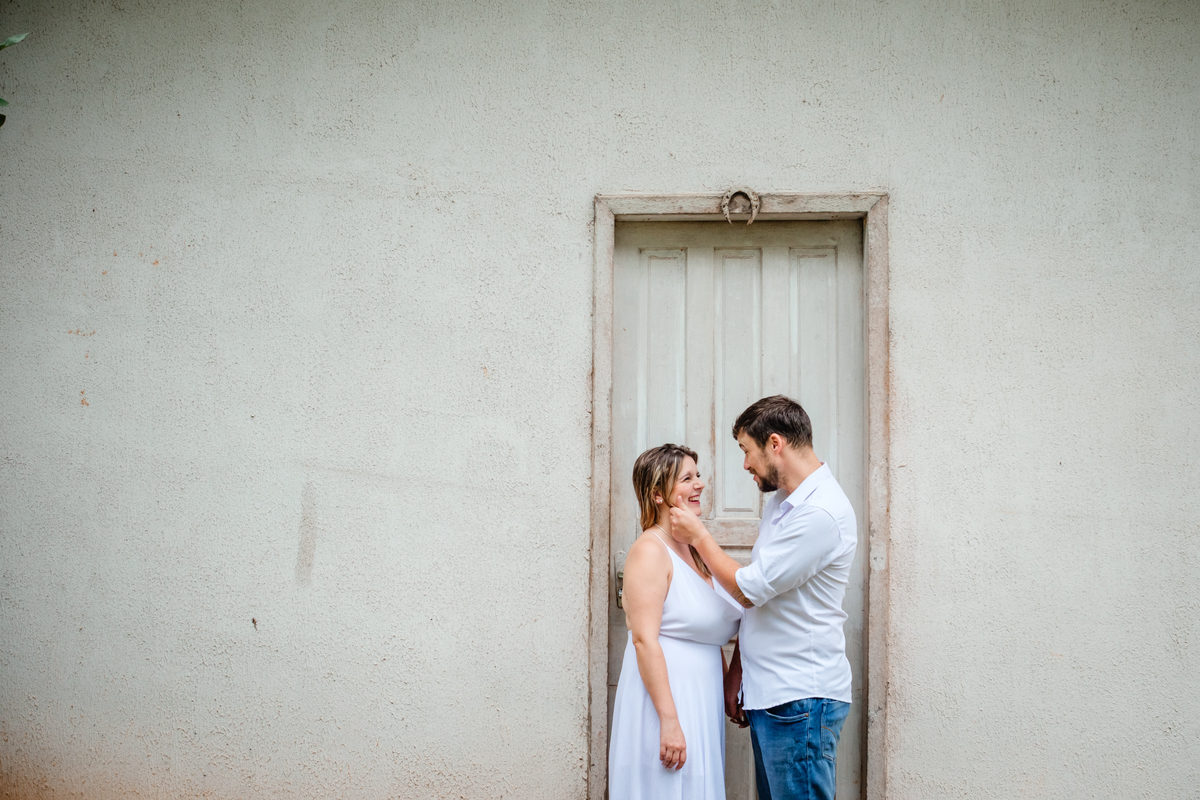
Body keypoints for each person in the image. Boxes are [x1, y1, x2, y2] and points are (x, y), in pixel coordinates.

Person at [667, 396, 857, 800]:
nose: (745, 464)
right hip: (773, 694)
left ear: (775, 444)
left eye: (746, 450)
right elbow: (765, 593)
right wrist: (739, 670)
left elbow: (748, 589)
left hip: (800, 700)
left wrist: (699, 537)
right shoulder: (782, 504)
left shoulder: (820, 514)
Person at [608, 444, 744, 800]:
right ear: (657, 494)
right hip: (665, 703)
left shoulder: (697, 550)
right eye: (687, 478)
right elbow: (644, 640)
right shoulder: (650, 551)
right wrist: (668, 721)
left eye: (698, 475)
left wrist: (729, 684)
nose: (700, 484)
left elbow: (705, 631)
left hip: (701, 700)